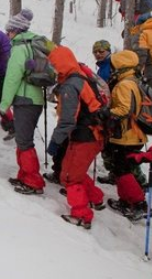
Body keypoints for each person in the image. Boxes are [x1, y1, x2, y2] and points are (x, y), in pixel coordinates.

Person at [46, 46, 105, 229]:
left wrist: (55, 142)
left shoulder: (70, 85)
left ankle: (82, 215)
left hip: (85, 135)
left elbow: (67, 120)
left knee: (70, 176)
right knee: (72, 170)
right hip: (94, 133)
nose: (53, 70)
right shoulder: (81, 76)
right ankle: (96, 198)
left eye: (54, 65)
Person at [0, 9, 47, 194]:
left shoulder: (20, 49)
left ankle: (34, 182)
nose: (7, 34)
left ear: (16, 31)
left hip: (25, 100)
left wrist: (4, 104)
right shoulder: (32, 45)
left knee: (24, 141)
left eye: (9, 31)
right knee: (23, 140)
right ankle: (24, 176)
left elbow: (12, 78)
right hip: (34, 99)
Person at [104, 50, 149, 221]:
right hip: (134, 133)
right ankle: (126, 200)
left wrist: (106, 113)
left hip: (125, 135)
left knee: (121, 169)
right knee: (122, 169)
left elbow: (124, 109)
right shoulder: (134, 80)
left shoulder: (124, 84)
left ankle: (138, 204)